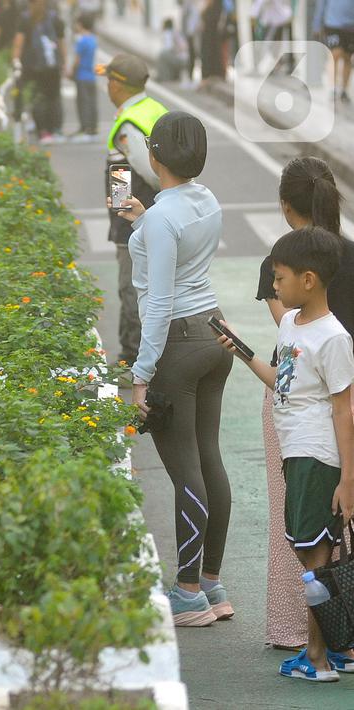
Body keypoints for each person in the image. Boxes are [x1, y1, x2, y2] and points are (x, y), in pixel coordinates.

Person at [218, 227, 354, 680]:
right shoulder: (291, 324)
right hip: (295, 453)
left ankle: (319, 658)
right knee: (308, 552)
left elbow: (343, 410)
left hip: (317, 456)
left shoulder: (334, 338)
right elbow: (282, 380)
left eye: (279, 279)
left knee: (314, 556)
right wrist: (242, 352)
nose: (273, 287)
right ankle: (324, 652)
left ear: (309, 280)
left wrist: (347, 479)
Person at [114, 111, 233, 627]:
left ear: (153, 157)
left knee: (185, 469)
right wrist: (143, 222)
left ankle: (186, 594)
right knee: (209, 459)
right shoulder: (202, 201)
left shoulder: (163, 219)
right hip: (214, 333)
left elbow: (159, 303)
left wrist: (141, 375)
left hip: (178, 347)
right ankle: (210, 584)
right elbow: (177, 250)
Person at [254, 157, 353, 650]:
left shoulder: (284, 260)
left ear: (286, 207)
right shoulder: (349, 254)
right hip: (344, 393)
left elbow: (291, 333)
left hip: (300, 405)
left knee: (295, 523)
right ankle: (345, 635)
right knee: (344, 519)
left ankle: (298, 632)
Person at [100, 53, 165, 367]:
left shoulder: (129, 122)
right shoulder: (152, 109)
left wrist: (119, 207)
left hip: (135, 220)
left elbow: (150, 173)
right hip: (151, 216)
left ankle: (132, 359)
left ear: (116, 84)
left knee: (131, 288)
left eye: (108, 80)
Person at [11, 0, 65, 143]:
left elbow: (18, 43)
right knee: (53, 98)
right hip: (52, 67)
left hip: (32, 67)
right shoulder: (55, 19)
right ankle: (56, 130)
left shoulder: (25, 19)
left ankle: (43, 131)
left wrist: (15, 61)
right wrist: (63, 63)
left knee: (37, 97)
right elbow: (61, 43)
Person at [315, 0, 354, 102]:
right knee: (334, 55)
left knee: (347, 57)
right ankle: (333, 88)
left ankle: (344, 90)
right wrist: (317, 24)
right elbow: (321, 4)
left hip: (350, 26)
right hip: (332, 24)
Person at [69, 12, 97, 140]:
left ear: (80, 24)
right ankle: (93, 127)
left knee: (82, 103)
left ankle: (85, 128)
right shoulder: (93, 39)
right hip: (91, 75)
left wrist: (70, 71)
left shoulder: (81, 40)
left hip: (81, 75)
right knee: (92, 103)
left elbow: (77, 60)